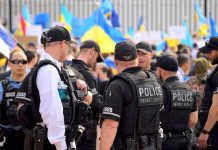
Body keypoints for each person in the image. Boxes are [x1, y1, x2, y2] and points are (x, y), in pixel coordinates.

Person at [18, 26, 92, 150]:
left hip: (56, 139)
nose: (70, 49)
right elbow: (51, 109)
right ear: (63, 44)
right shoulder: (48, 70)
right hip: (52, 142)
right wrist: (60, 144)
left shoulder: (56, 69)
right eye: (69, 45)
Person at [100, 41, 163, 150]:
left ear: (116, 61)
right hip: (153, 145)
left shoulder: (118, 85)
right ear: (136, 58)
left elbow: (111, 125)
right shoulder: (154, 80)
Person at [156, 54, 198, 150]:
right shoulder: (189, 90)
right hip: (184, 141)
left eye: (157, 70)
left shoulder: (161, 90)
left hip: (165, 142)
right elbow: (193, 120)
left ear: (162, 71)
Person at [71, 40, 104, 150]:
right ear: (92, 51)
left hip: (70, 129)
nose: (96, 62)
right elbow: (95, 103)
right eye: (97, 58)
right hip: (86, 132)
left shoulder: (67, 69)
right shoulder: (86, 73)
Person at [0, 49, 28, 150]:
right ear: (9, 64)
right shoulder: (2, 86)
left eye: (23, 62)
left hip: (29, 139)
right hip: (7, 139)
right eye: (16, 61)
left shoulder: (33, 86)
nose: (20, 65)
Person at [198, 36, 218, 149]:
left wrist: (205, 131)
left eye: (210, 51)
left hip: (214, 129)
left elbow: (216, 107)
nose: (207, 55)